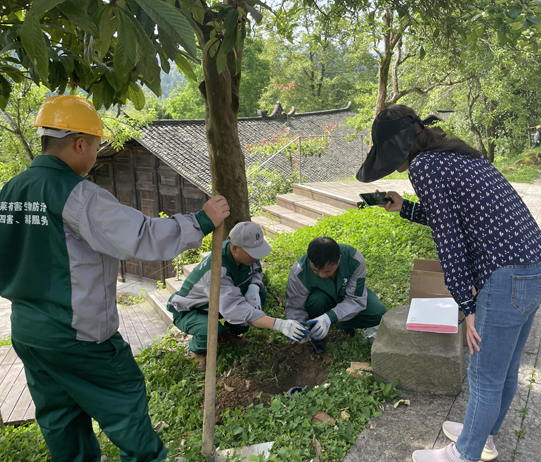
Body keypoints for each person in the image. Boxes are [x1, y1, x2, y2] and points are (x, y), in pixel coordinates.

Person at [0, 95, 230, 462]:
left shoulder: (10, 191)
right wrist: (201, 221)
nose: (95, 155)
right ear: (79, 144)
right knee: (123, 397)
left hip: (28, 332)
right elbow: (141, 236)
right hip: (78, 335)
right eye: (95, 146)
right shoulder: (78, 195)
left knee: (60, 415)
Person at [356, 105, 541, 462]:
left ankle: (464, 454)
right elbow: (453, 217)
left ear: (399, 147)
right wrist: (404, 208)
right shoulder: (451, 154)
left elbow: (450, 242)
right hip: (538, 267)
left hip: (507, 276)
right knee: (504, 368)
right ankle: (485, 436)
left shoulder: (424, 166)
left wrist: (467, 307)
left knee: (484, 375)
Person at [167, 221, 308, 371]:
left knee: (261, 294)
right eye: (254, 253)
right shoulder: (217, 271)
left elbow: (256, 272)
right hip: (192, 310)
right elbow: (238, 310)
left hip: (220, 303)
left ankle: (230, 334)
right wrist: (280, 324)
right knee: (210, 329)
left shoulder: (247, 253)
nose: (257, 257)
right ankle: (197, 350)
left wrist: (253, 288)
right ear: (234, 248)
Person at [284, 237, 386, 354]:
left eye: (327, 271)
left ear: (338, 260)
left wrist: (329, 317)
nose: (322, 275)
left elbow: (356, 299)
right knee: (317, 300)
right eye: (316, 270)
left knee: (377, 312)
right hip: (321, 302)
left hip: (347, 296)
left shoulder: (354, 260)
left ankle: (343, 323)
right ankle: (316, 334)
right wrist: (299, 326)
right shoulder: (299, 272)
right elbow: (295, 307)